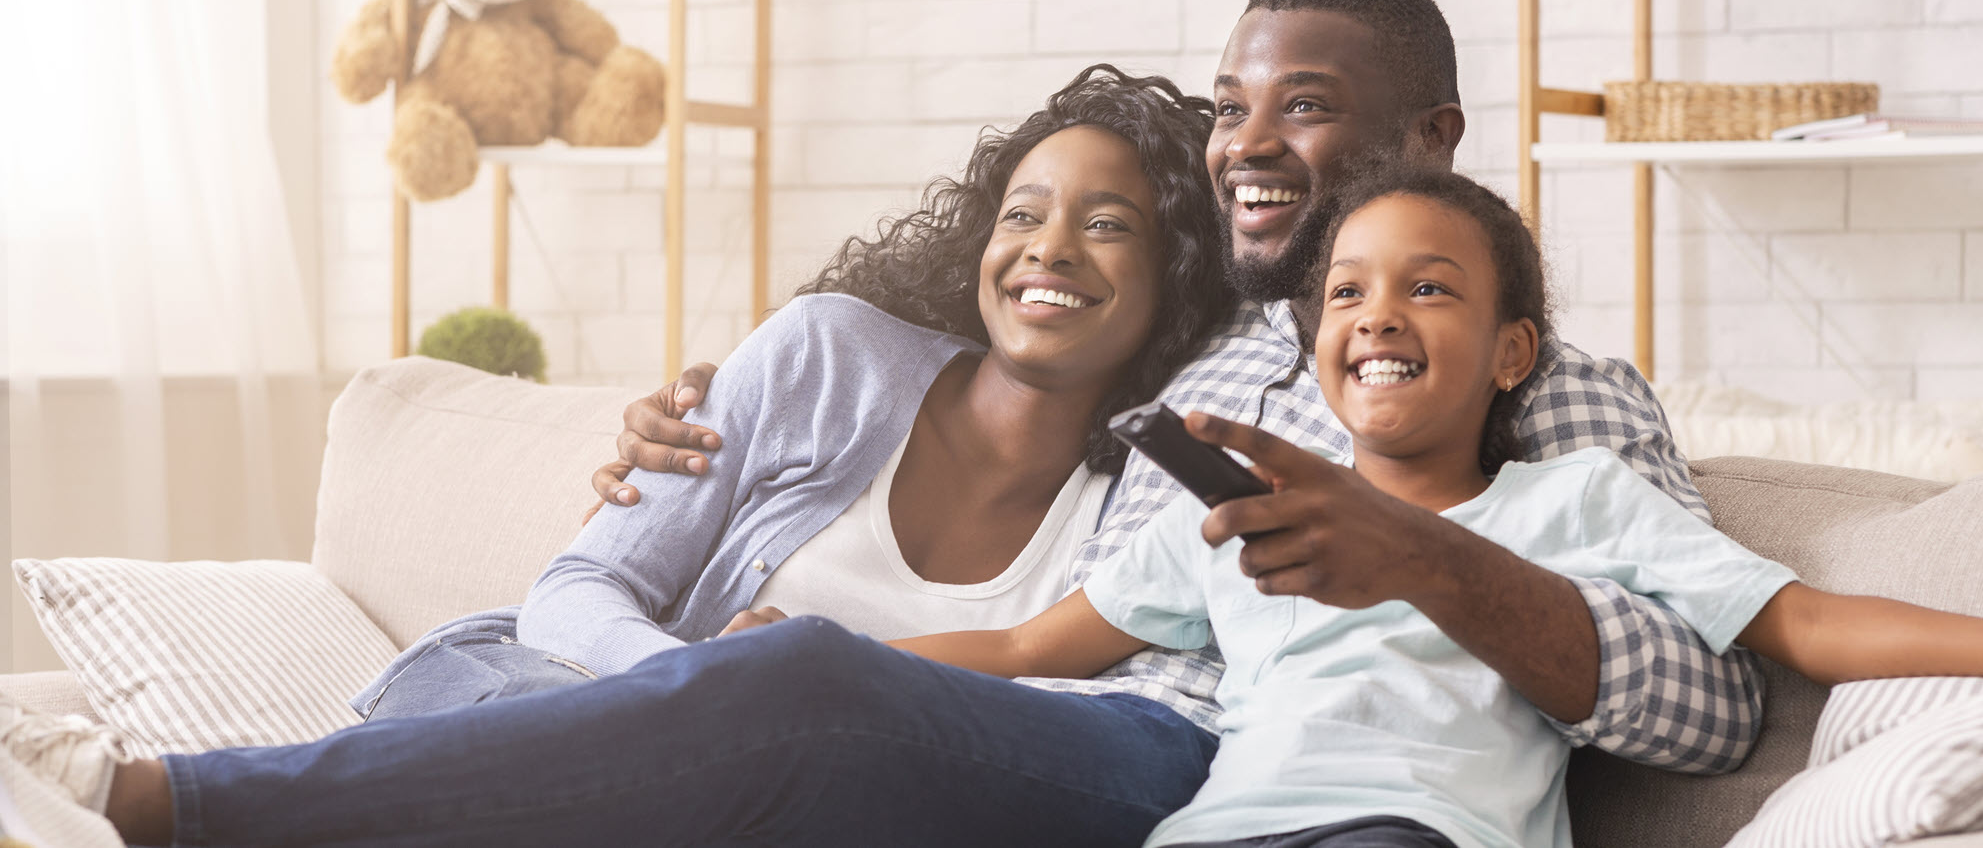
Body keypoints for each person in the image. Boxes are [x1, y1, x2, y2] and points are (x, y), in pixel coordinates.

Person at [2, 66, 1232, 846]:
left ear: (1170, 271)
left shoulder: (1135, 510)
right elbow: (577, 589)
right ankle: (164, 800)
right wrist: (690, 691)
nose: (1047, 248)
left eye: (1106, 223)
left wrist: (778, 702)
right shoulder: (827, 355)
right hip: (538, 692)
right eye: (1022, 212)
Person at [598, 0, 1765, 769]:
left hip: (1203, 765)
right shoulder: (1184, 344)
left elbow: (1716, 706)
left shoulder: (1547, 386)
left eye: (1301, 107)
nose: (1246, 144)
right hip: (1030, 727)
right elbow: (1008, 327)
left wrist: (1423, 556)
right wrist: (714, 413)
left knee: (765, 730)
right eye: (1228, 108)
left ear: (1432, 138)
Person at [852, 163, 1983, 848]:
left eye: (1429, 288)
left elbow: (1803, 622)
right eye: (1346, 291)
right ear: (1315, 353)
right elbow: (1020, 641)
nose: (1378, 312)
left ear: (1511, 352)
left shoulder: (1576, 498)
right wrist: (839, 648)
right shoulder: (1244, 508)